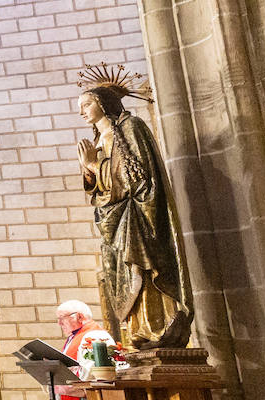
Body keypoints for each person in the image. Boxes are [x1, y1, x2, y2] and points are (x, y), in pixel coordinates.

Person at [76, 80, 192, 348]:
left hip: (140, 218)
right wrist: (90, 172)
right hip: (116, 221)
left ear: (104, 103)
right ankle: (140, 331)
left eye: (87, 104)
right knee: (128, 276)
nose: (82, 112)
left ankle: (160, 328)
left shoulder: (131, 128)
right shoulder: (99, 139)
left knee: (147, 272)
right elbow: (101, 191)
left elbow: (138, 180)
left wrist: (95, 164)